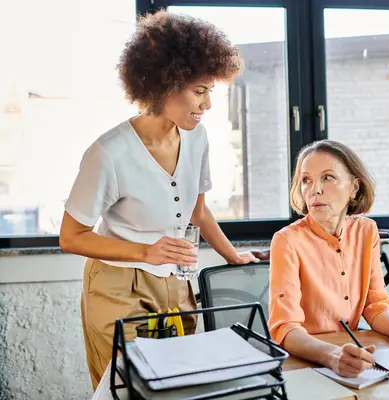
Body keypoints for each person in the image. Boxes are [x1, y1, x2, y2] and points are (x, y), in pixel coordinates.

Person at [59, 11, 258, 389]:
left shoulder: (197, 138)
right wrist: (147, 252)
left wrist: (233, 256)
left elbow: (198, 211)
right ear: (164, 84)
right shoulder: (109, 153)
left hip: (176, 283)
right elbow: (71, 236)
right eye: (200, 91)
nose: (207, 105)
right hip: (117, 285)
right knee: (132, 389)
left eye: (210, 92)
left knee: (181, 386)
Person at [268, 140, 389, 378]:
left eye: (328, 177)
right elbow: (285, 328)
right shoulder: (287, 241)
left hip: (353, 358)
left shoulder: (367, 231)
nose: (315, 189)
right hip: (308, 363)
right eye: (306, 180)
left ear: (354, 188)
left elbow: (374, 305)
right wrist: (332, 355)